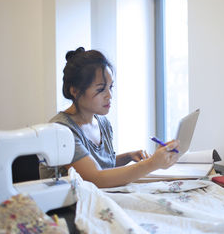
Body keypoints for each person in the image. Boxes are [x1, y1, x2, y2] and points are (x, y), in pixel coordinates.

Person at [39, 47, 180, 188]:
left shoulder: (102, 123)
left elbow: (100, 166)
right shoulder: (62, 131)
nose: (109, 96)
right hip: (69, 207)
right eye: (100, 89)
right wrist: (152, 163)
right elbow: (95, 178)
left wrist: (128, 157)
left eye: (110, 87)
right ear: (75, 91)